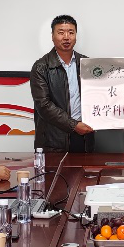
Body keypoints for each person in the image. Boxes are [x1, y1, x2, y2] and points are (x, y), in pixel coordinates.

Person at [29, 15, 95, 152]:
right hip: (54, 140)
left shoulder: (87, 64)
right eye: (61, 32)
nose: (66, 37)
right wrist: (73, 125)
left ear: (76, 36)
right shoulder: (41, 67)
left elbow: (100, 96)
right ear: (52, 36)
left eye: (71, 32)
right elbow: (44, 105)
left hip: (84, 136)